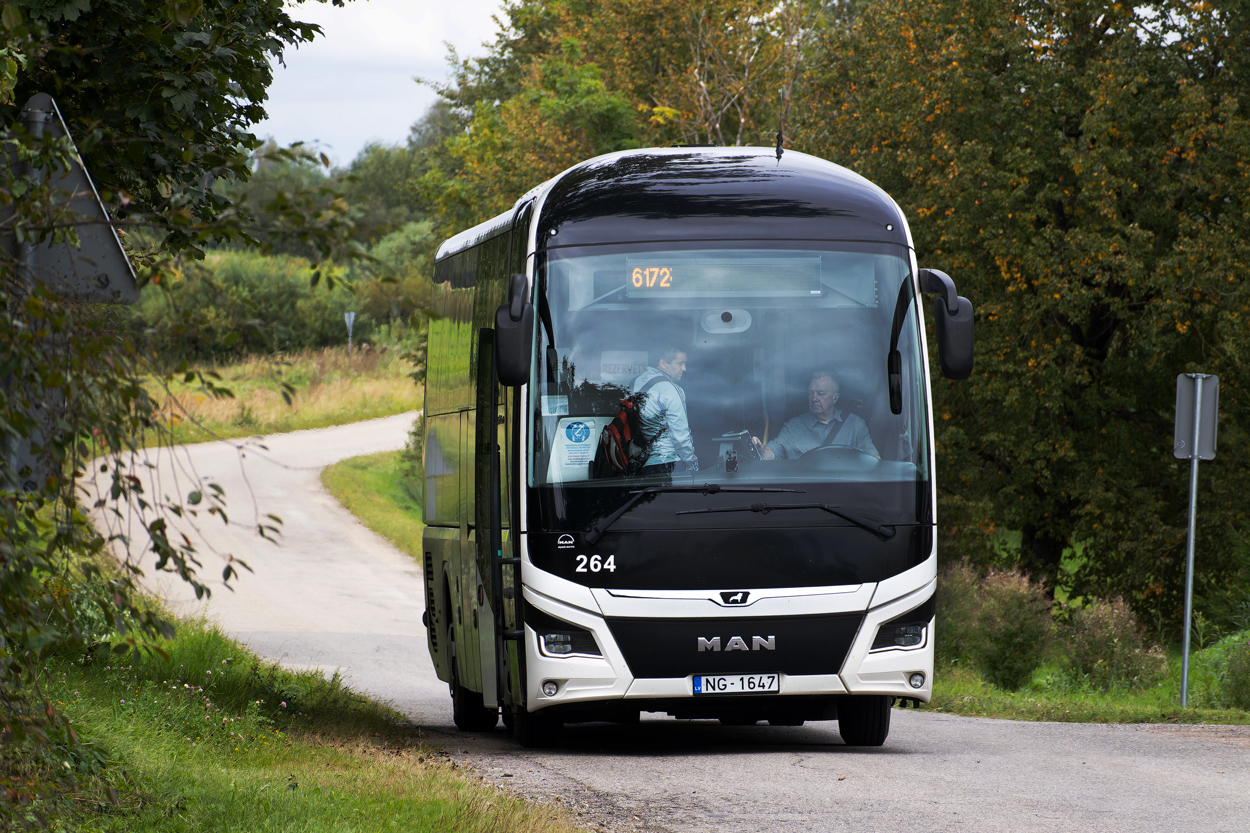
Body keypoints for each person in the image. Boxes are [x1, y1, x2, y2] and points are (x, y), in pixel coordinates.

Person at [752, 371, 879, 460]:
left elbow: (874, 460)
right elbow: (773, 452)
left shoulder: (854, 425)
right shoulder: (793, 427)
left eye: (821, 393)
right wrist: (760, 451)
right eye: (810, 393)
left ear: (835, 398)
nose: (814, 398)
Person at [632, 346, 699, 475]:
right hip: (669, 464)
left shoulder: (633, 383)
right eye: (680, 363)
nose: (684, 369)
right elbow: (681, 435)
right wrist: (692, 465)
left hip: (640, 465)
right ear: (663, 363)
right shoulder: (670, 389)